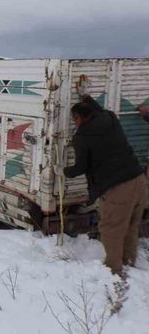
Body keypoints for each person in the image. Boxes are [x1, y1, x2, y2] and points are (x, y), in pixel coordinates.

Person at [56, 85, 146, 275]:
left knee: (111, 229)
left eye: (74, 120)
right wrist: (86, 96)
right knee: (130, 224)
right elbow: (97, 110)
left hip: (117, 187)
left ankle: (113, 271)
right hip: (139, 179)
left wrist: (63, 171)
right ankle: (129, 262)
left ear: (77, 119)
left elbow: (80, 168)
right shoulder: (110, 118)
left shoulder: (82, 137)